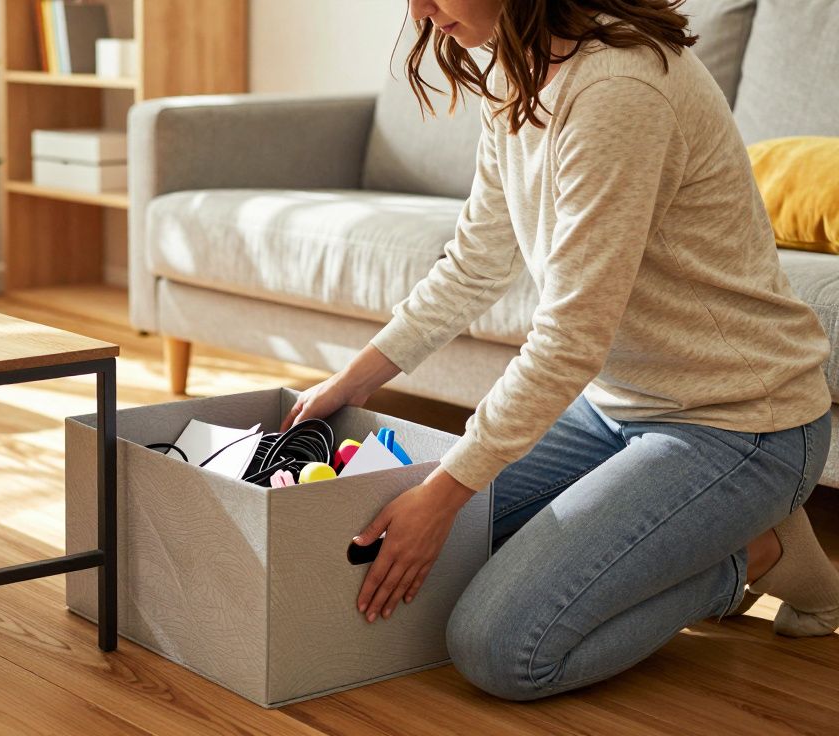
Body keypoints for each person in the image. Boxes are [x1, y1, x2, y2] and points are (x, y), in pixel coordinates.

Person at [280, 0, 839, 701]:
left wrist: (443, 491)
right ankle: (704, 530)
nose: (419, 12)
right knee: (432, 562)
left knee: (501, 647)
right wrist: (356, 380)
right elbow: (476, 263)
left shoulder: (618, 90)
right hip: (614, 409)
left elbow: (570, 339)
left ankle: (755, 550)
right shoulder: (515, 72)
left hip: (741, 422)